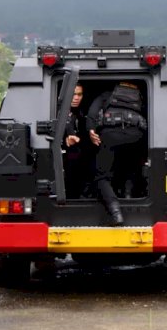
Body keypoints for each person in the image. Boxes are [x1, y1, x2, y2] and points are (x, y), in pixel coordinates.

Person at [87, 81, 147, 225]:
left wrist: (90, 131)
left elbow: (91, 115)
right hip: (136, 137)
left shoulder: (106, 95)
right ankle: (128, 197)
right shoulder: (141, 98)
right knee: (131, 171)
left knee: (101, 176)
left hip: (110, 136)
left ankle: (115, 212)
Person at [62, 83, 91, 198]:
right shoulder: (56, 112)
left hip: (81, 159)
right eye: (73, 94)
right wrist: (66, 141)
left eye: (79, 94)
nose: (76, 98)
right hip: (63, 161)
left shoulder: (81, 114)